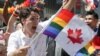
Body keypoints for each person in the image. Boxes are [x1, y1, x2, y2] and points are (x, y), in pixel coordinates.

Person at [7, 0, 76, 56]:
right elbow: (10, 54)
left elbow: (60, 16)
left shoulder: (41, 28)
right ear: (23, 20)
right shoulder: (15, 36)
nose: (36, 22)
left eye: (37, 18)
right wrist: (17, 53)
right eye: (32, 19)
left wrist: (71, 2)